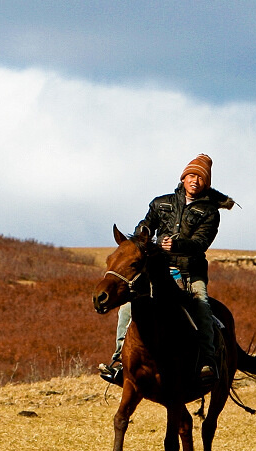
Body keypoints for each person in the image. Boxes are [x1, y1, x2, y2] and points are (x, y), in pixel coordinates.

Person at [99, 153, 235, 386]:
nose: (195, 181)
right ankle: (119, 361)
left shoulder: (210, 212)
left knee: (201, 306)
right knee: (127, 308)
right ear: (183, 178)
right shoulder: (160, 203)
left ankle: (207, 361)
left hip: (190, 272)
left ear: (206, 183)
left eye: (200, 178)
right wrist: (143, 232)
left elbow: (202, 243)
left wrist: (178, 245)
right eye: (191, 175)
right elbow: (145, 224)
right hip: (157, 270)